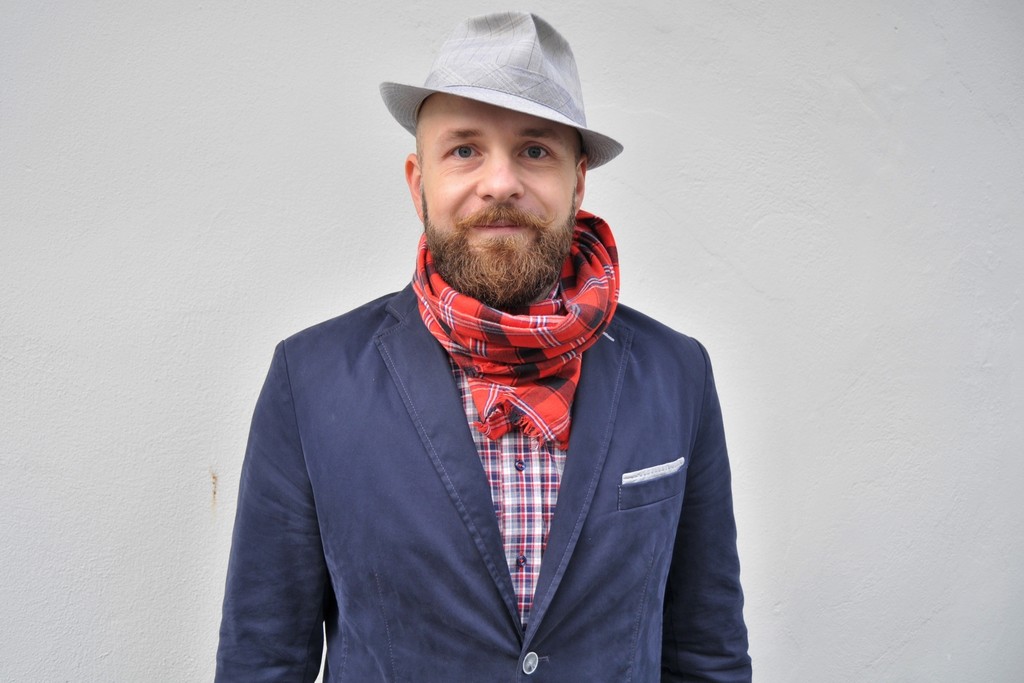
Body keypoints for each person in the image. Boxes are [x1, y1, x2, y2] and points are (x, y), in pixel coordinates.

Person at [216, 11, 751, 682]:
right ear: (419, 183)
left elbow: (706, 654)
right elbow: (263, 660)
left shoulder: (677, 374)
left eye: (535, 151)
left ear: (578, 182)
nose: (500, 182)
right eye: (465, 150)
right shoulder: (311, 379)